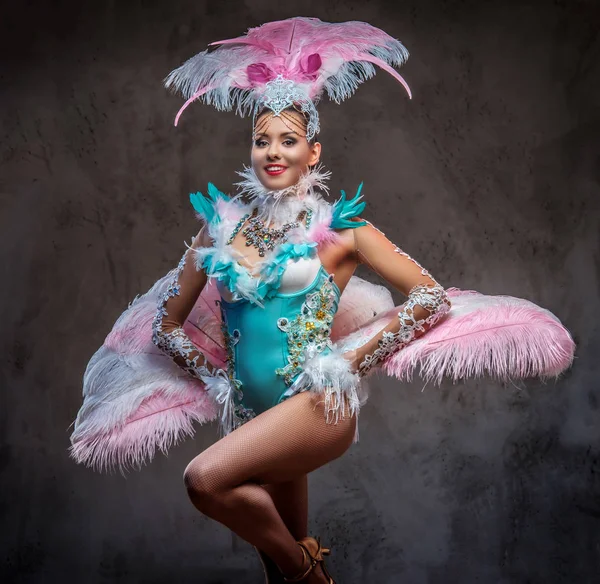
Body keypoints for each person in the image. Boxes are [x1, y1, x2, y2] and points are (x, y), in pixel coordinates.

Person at [69, 16, 575, 584]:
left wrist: (347, 360)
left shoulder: (343, 233)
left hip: (314, 406)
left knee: (205, 481)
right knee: (273, 567)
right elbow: (167, 325)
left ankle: (310, 573)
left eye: (288, 141)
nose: (273, 153)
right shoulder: (218, 234)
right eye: (262, 140)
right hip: (252, 415)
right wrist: (217, 379)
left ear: (313, 152)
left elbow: (429, 298)